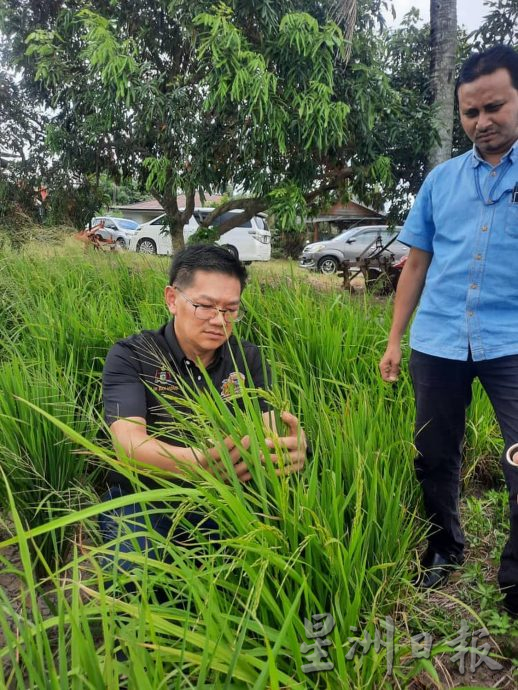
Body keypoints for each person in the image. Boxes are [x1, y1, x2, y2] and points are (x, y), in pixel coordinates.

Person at [379, 45, 518, 614]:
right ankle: (444, 548)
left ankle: (515, 580)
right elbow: (417, 263)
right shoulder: (440, 181)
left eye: (495, 107)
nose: (482, 122)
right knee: (434, 453)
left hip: (512, 343)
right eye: (470, 113)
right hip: (437, 341)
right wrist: (394, 339)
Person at [100, 244, 307, 594]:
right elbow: (128, 444)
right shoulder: (133, 355)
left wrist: (290, 451)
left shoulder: (248, 358)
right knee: (135, 580)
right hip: (144, 496)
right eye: (205, 306)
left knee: (277, 571)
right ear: (171, 298)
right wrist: (199, 463)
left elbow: (268, 429)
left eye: (231, 310)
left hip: (227, 495)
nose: (218, 320)